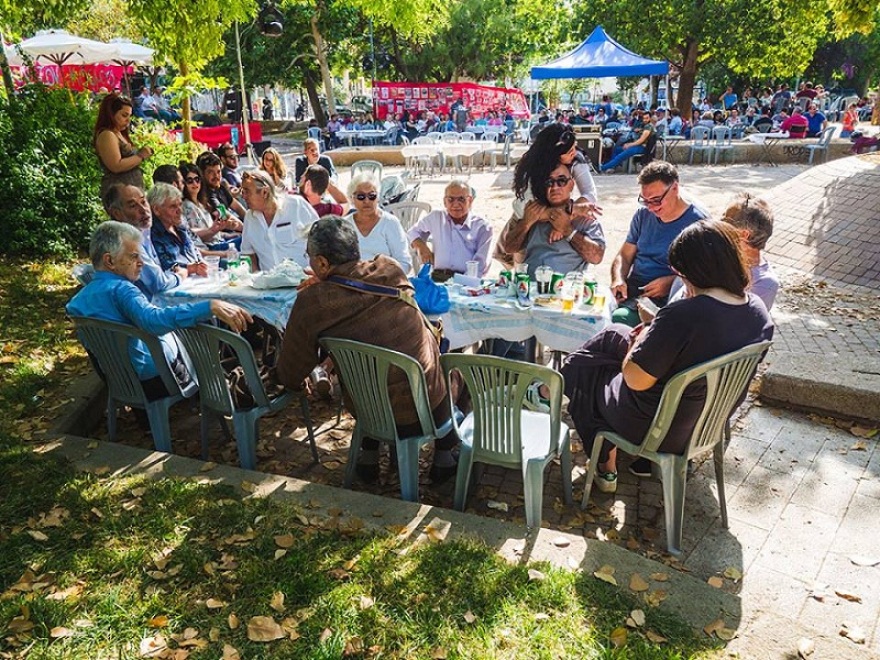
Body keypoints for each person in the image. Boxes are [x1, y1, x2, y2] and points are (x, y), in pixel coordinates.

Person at [560, 219, 774, 492]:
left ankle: (605, 464)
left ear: (693, 271)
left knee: (588, 373)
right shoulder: (757, 311)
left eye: (678, 271)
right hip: (707, 421)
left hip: (659, 428)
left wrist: (645, 335)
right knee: (613, 334)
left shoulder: (684, 315)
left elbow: (635, 379)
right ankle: (548, 392)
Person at [276, 216, 461, 483]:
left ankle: (369, 454)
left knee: (369, 376)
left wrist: (322, 288)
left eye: (310, 257)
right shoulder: (390, 269)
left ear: (323, 263)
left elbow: (291, 373)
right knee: (452, 374)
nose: (309, 263)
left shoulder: (311, 302)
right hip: (424, 412)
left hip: (367, 411)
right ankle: (444, 455)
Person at [67, 221, 252, 399]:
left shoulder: (77, 302)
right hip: (155, 381)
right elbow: (152, 321)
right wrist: (209, 305)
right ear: (110, 261)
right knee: (200, 337)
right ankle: (225, 395)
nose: (141, 263)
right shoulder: (122, 289)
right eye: (133, 256)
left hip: (117, 381)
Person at [609, 161, 709, 326]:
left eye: (656, 200)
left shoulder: (699, 223)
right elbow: (624, 255)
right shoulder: (642, 215)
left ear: (675, 188)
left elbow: (705, 274)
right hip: (633, 291)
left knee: (618, 320)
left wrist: (671, 283)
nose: (651, 207)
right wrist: (618, 279)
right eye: (645, 201)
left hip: (669, 301)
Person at [500, 162, 605, 279]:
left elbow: (596, 257)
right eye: (549, 182)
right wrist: (525, 224)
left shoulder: (585, 216)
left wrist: (568, 231)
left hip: (566, 289)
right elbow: (509, 248)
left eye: (561, 181)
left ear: (571, 185)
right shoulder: (535, 212)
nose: (555, 187)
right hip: (532, 287)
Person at [103, 183, 184, 297]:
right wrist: (180, 275)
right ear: (117, 214)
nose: (143, 210)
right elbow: (158, 284)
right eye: (133, 206)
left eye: (143, 202)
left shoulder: (144, 231)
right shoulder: (125, 241)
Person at [407, 180, 493, 280]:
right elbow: (412, 232)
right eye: (451, 199)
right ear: (444, 202)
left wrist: (460, 284)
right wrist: (422, 247)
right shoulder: (436, 217)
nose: (456, 204)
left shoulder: (483, 227)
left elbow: (480, 265)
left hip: (467, 280)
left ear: (470, 201)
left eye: (461, 199)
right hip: (438, 278)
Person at [240, 169, 319, 271]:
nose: (243, 196)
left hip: (302, 280)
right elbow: (248, 253)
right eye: (243, 191)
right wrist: (255, 277)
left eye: (247, 192)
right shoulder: (250, 218)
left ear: (264, 192)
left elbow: (321, 238)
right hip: (268, 283)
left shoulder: (296, 205)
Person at [346, 173, 412, 273]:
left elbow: (405, 263)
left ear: (378, 197)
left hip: (384, 282)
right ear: (352, 199)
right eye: (361, 196)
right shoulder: (345, 225)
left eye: (372, 196)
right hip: (352, 281)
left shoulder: (390, 223)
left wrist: (379, 275)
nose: (367, 201)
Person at [94, 93, 153, 197]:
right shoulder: (107, 135)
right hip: (120, 195)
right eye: (124, 115)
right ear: (110, 114)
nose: (128, 120)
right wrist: (140, 156)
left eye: (129, 116)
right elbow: (116, 166)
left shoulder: (119, 133)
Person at [180, 162, 242, 253]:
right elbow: (195, 235)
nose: (194, 183)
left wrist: (230, 235)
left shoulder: (202, 203)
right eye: (189, 180)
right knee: (249, 240)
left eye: (197, 179)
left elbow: (214, 234)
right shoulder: (186, 206)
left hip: (220, 242)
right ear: (183, 183)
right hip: (211, 249)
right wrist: (214, 230)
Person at [148, 183, 208, 276]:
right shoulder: (153, 235)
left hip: (199, 278)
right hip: (179, 285)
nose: (179, 210)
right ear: (156, 210)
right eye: (173, 206)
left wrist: (202, 264)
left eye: (180, 204)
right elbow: (165, 267)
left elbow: (196, 253)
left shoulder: (180, 227)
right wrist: (191, 268)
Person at [197, 152, 247, 219]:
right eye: (211, 172)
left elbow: (238, 208)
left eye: (218, 171)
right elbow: (224, 216)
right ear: (202, 174)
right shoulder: (206, 194)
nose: (216, 176)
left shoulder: (221, 188)